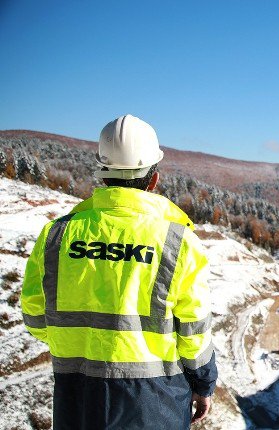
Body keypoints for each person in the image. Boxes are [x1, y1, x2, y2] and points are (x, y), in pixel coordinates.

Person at [21, 114, 217, 429]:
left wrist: (79, 343)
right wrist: (203, 384)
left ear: (104, 174)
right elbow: (193, 333)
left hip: (78, 400)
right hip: (156, 405)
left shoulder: (55, 236)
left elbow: (35, 318)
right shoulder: (178, 242)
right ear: (153, 179)